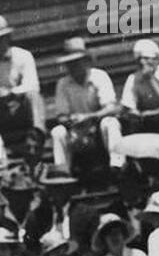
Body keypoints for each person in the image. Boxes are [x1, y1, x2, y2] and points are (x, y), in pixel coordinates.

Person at [50, 37, 124, 174]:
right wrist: (71, 122)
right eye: (70, 63)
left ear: (85, 61)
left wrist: (89, 117)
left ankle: (117, 165)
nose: (73, 67)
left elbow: (111, 108)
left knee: (110, 123)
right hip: (76, 131)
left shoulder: (99, 76)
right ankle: (62, 172)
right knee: (57, 132)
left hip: (97, 129)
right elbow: (61, 115)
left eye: (77, 62)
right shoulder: (62, 84)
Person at [0, 14, 45, 145]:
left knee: (34, 96)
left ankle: (37, 135)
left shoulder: (23, 55)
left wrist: (11, 92)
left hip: (19, 108)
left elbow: (33, 85)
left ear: (8, 37)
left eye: (1, 39)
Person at [119, 39, 159, 134]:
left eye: (148, 59)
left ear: (158, 59)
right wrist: (135, 112)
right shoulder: (133, 78)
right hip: (144, 120)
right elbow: (129, 106)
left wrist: (150, 79)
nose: (144, 63)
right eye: (141, 59)